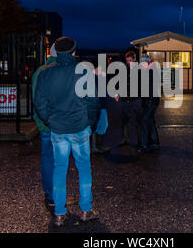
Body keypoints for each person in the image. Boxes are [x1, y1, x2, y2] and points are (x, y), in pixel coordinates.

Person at [34, 36, 100, 227]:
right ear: (73, 52)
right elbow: (93, 101)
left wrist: (50, 120)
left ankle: (60, 213)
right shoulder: (83, 72)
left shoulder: (46, 74)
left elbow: (40, 103)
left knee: (59, 168)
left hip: (58, 129)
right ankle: (86, 209)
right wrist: (89, 122)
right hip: (79, 127)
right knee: (84, 167)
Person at [116, 50, 142, 148]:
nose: (128, 63)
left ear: (135, 59)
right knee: (124, 121)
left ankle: (140, 142)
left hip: (136, 100)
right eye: (127, 61)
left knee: (138, 122)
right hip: (125, 100)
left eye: (130, 61)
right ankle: (124, 139)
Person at [138, 53, 161, 154]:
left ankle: (144, 145)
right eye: (141, 62)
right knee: (150, 120)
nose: (142, 64)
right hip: (149, 100)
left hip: (151, 100)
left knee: (144, 121)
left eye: (144, 62)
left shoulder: (151, 71)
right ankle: (155, 142)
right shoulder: (146, 71)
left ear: (147, 62)